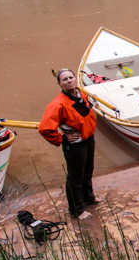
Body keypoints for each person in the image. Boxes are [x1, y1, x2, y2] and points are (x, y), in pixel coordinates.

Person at [39, 69, 98, 219]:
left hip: (88, 139)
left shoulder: (80, 94)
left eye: (71, 77)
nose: (69, 81)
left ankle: (88, 198)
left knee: (88, 171)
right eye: (65, 79)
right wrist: (62, 139)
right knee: (75, 177)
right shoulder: (57, 104)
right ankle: (77, 210)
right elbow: (45, 128)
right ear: (59, 84)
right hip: (75, 144)